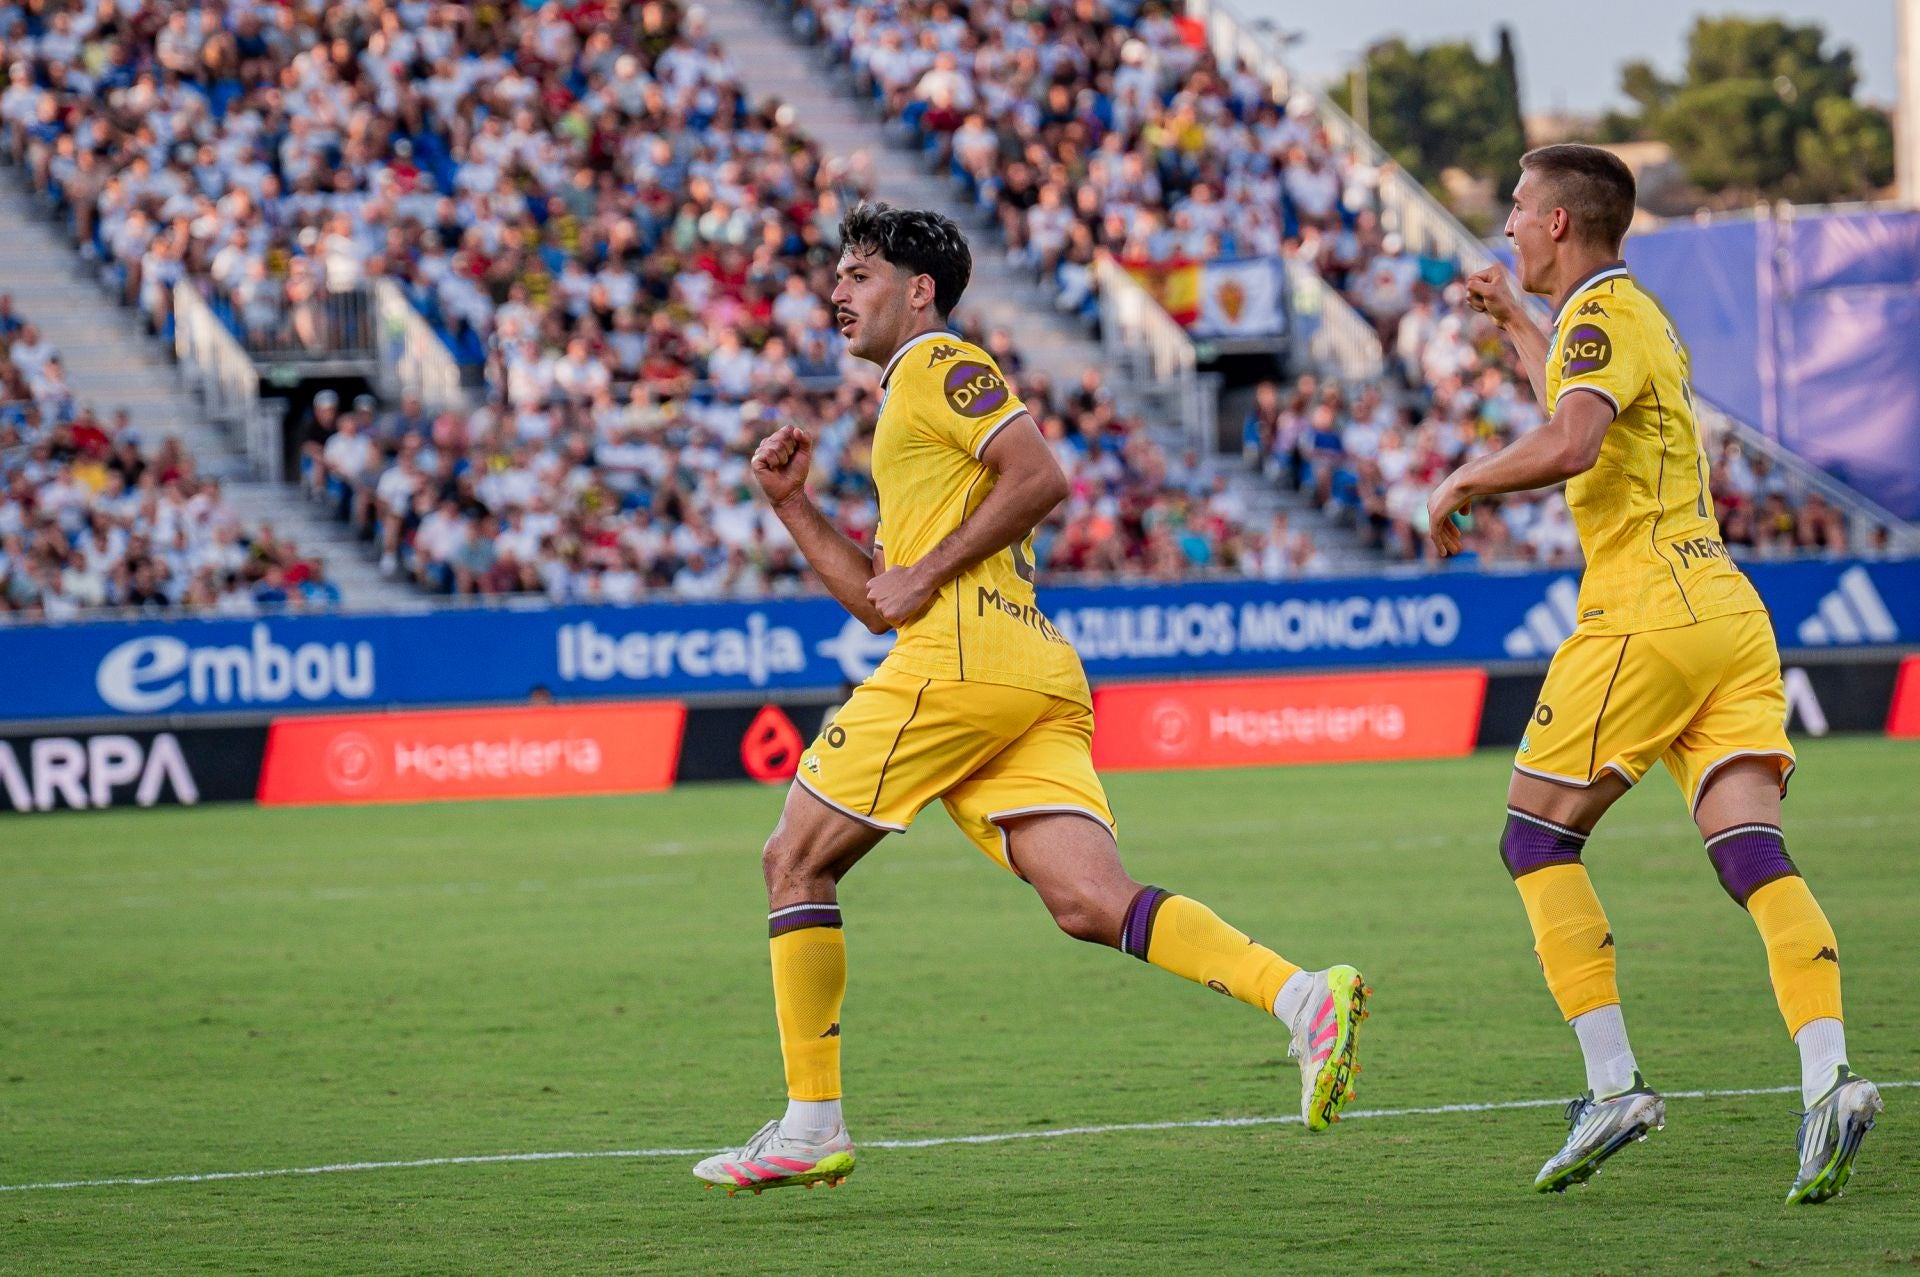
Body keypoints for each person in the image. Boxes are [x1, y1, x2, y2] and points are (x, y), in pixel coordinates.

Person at [693, 204, 1370, 1195]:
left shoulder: (935, 366)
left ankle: (809, 1120)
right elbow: (881, 594)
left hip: (961, 660)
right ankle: (1303, 995)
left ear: (918, 290)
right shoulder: (904, 407)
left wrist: (927, 578)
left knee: (792, 857)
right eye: (836, 276)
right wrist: (793, 506)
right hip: (1025, 672)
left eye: (858, 274)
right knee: (1090, 901)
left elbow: (1040, 474)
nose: (836, 292)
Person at [1426, 144, 1878, 1202]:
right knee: (1751, 851)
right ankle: (1830, 1078)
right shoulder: (1630, 311)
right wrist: (1508, 325)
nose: (1506, 225)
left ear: (1558, 227)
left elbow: (1575, 438)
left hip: (1644, 613)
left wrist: (1465, 478)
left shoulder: (1596, 319)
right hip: (1726, 607)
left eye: (1518, 208)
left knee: (1536, 835)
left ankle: (1614, 1081)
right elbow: (1585, 390)